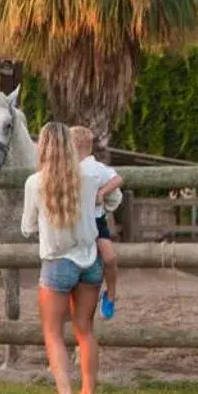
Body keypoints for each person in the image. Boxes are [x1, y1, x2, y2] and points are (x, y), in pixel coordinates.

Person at [21, 122, 123, 394]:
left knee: (53, 332)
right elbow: (114, 197)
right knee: (84, 329)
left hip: (57, 262)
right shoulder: (91, 177)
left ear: (43, 147)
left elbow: (27, 227)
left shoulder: (35, 182)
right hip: (90, 260)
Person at [68, 124, 121, 318]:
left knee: (110, 257)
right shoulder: (65, 168)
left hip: (97, 221)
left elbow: (117, 179)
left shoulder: (96, 168)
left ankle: (111, 295)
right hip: (74, 223)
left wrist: (102, 192)